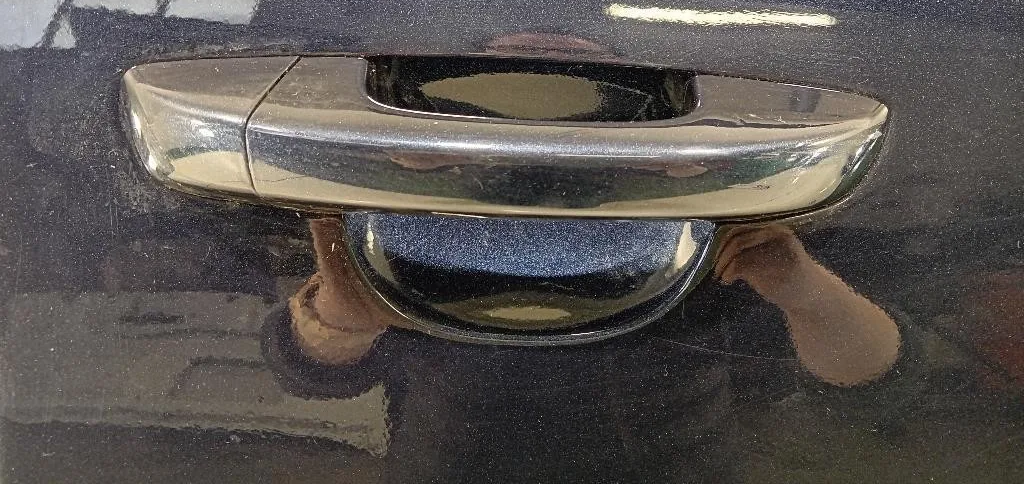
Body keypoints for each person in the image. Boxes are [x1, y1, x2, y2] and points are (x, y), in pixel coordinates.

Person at [262, 217, 908, 483]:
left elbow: (870, 372)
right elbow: (307, 372)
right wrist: (340, 315)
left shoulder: (718, 228)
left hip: (682, 467)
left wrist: (804, 290)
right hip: (450, 465)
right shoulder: (413, 223)